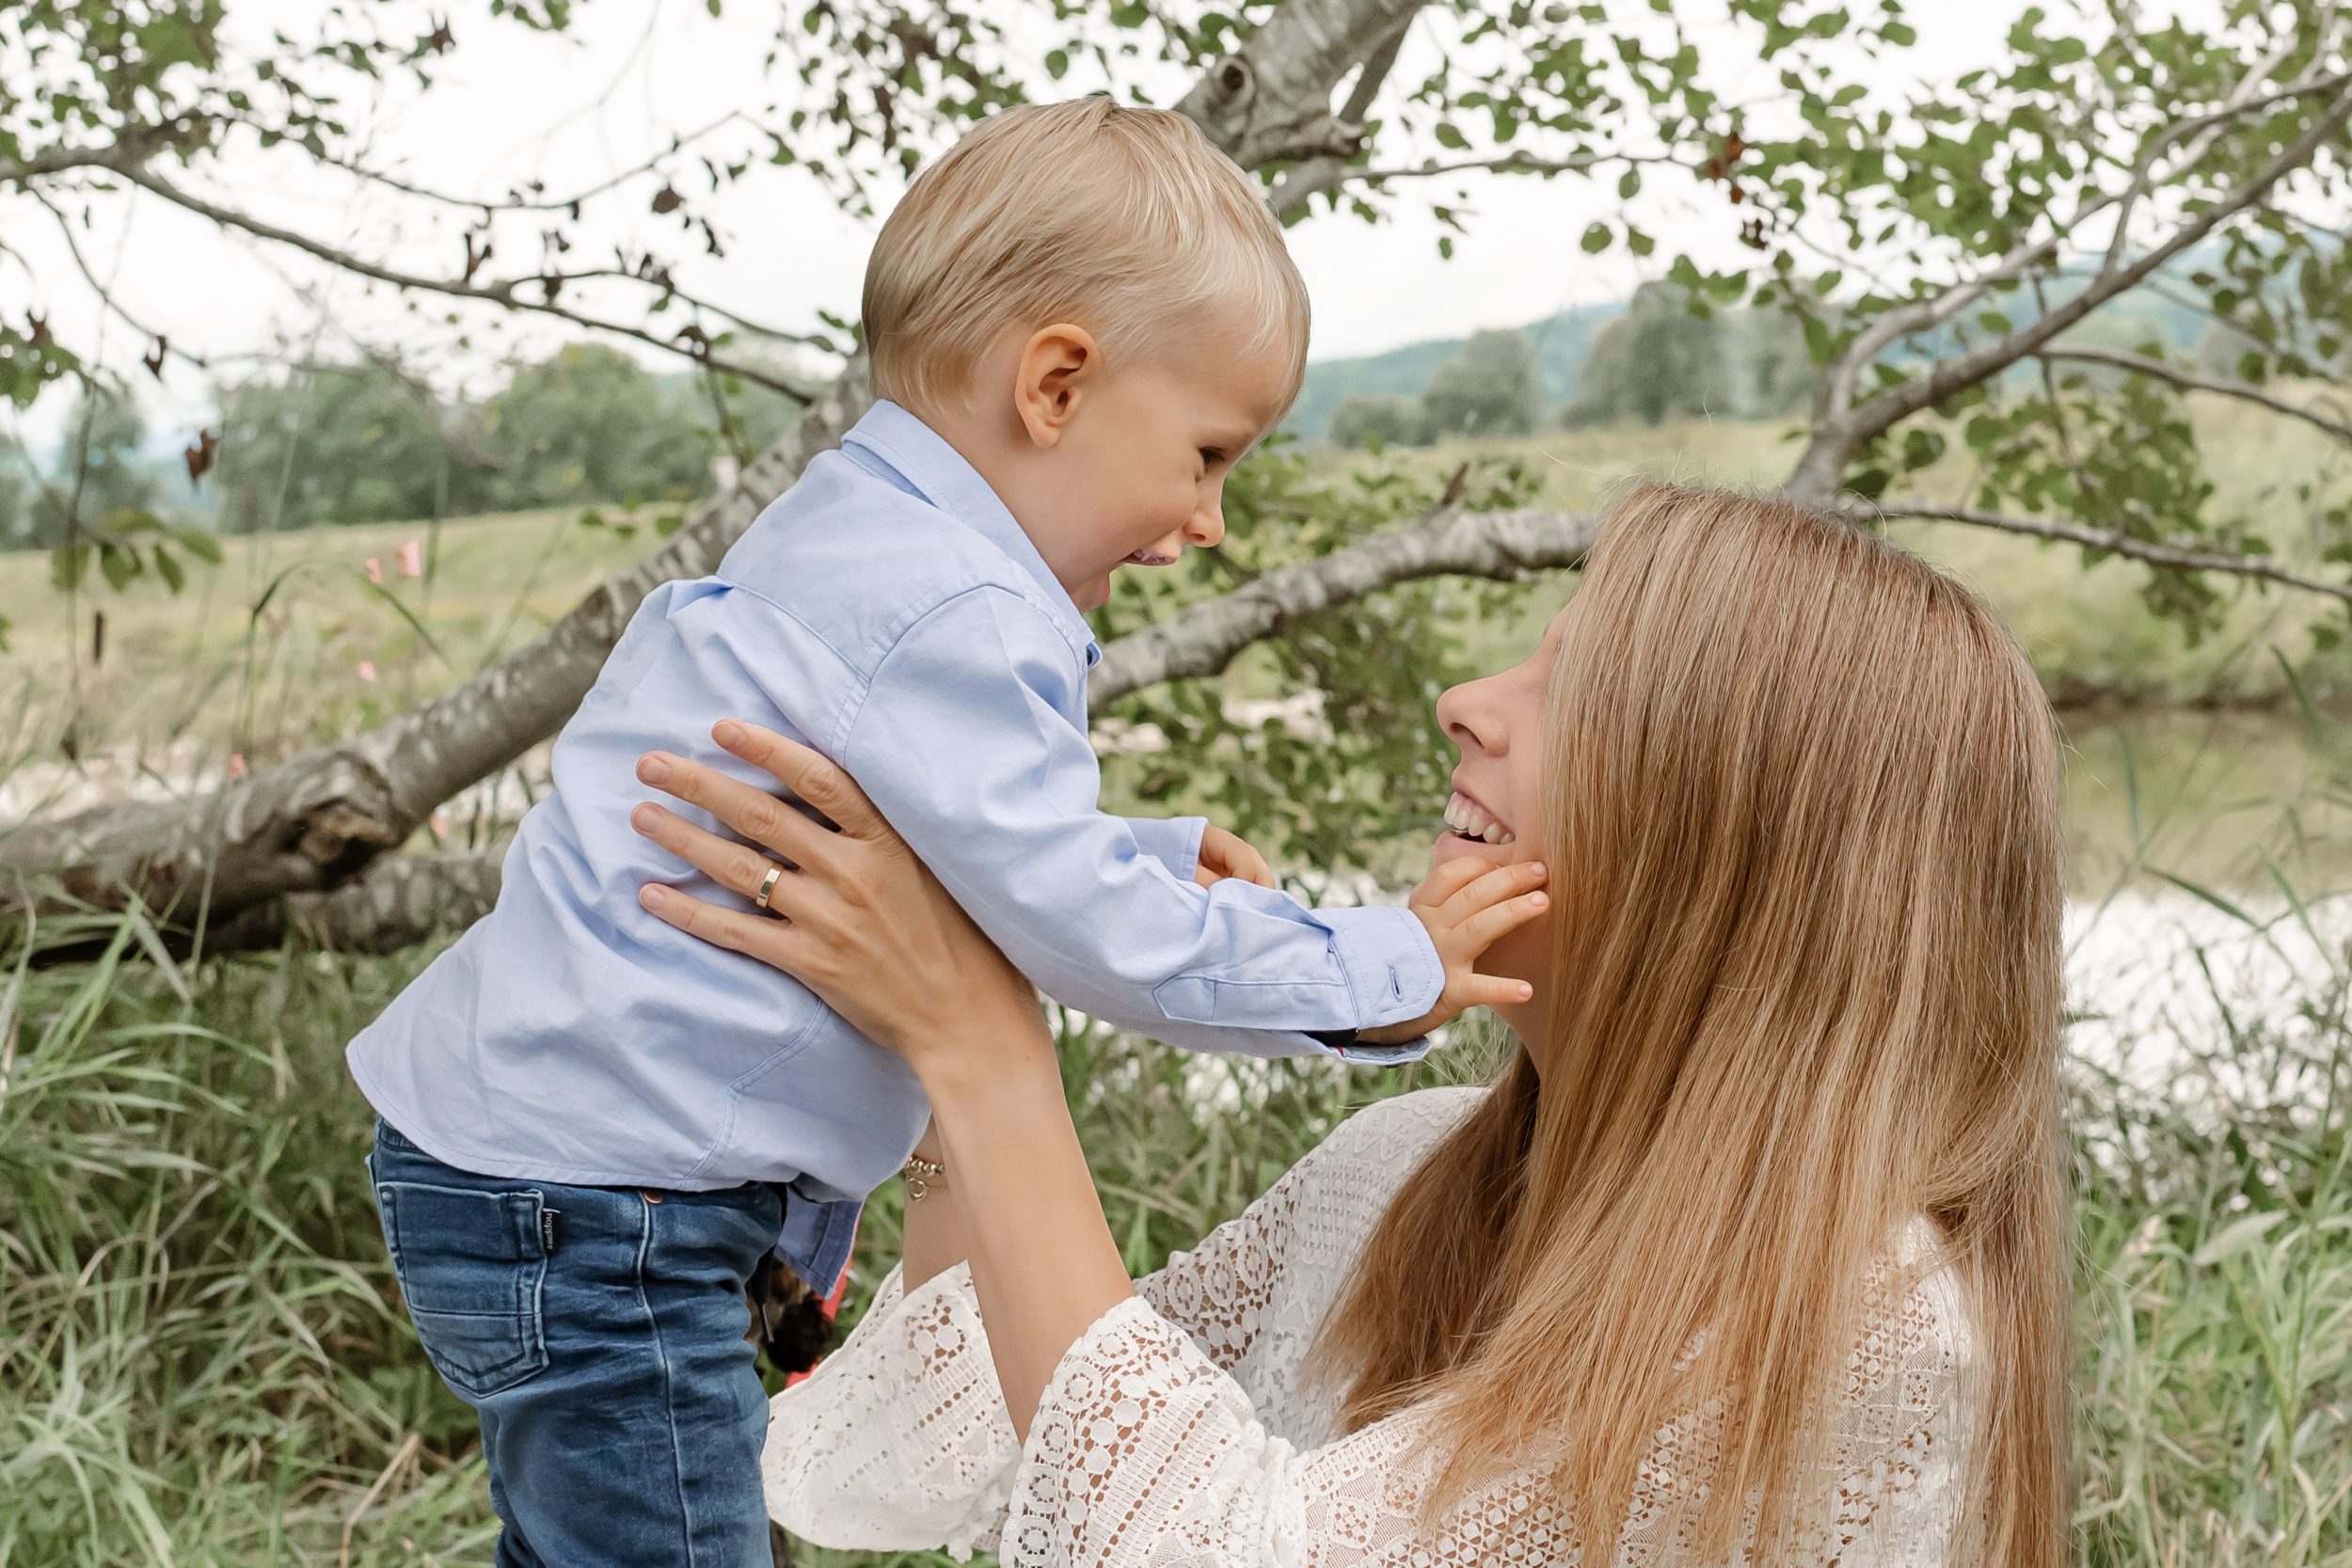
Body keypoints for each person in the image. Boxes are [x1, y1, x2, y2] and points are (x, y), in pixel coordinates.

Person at [346, 99, 1536, 1568]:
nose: (1208, 520)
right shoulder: (960, 608)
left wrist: (1147, 854)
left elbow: (964, 835)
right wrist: (1382, 963)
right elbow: (1091, 937)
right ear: (1055, 386)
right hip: (606, 1219)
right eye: (1209, 454)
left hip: (556, 1179)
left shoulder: (865, 532)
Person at [629, 483, 2074, 1567]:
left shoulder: (1862, 1327)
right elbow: (965, 1449)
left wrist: (983, 1053)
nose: (1464, 703)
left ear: (1744, 842)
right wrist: (980, 993)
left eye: (1572, 691)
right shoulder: (1400, 1163)